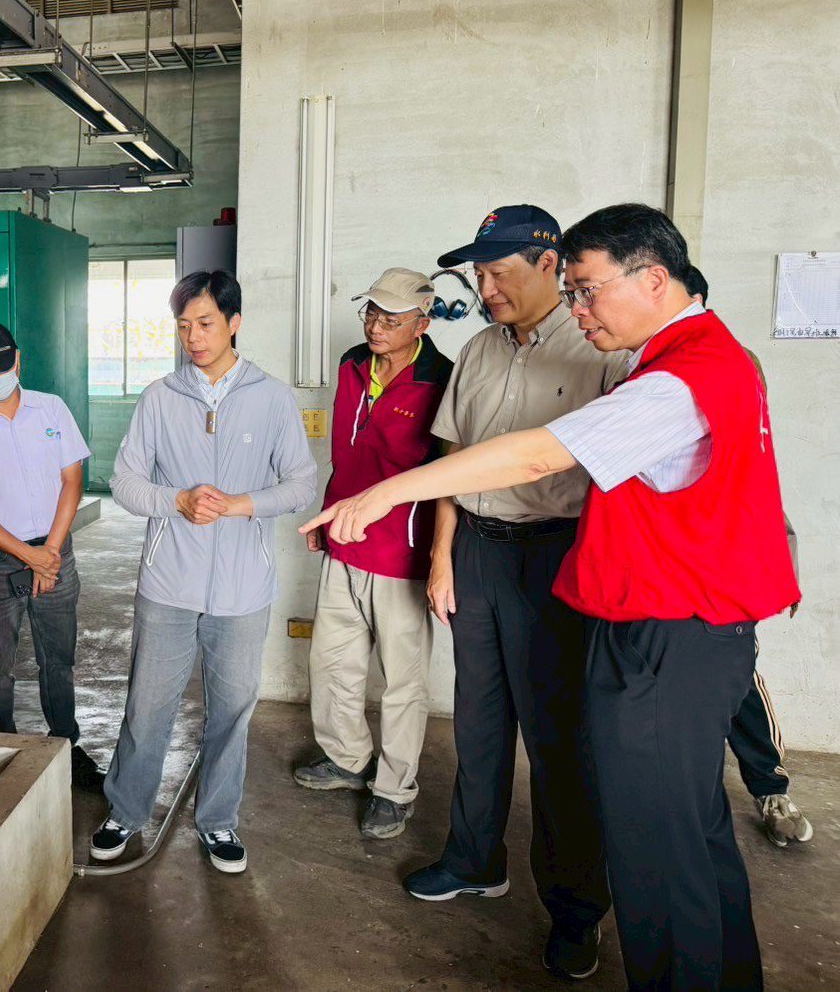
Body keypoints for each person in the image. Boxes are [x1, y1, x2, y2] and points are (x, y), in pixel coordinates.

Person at [305, 203, 800, 990]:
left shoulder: (677, 378)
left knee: (653, 855)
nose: (578, 307)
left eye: (586, 289)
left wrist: (384, 492)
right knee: (691, 839)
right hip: (646, 617)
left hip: (663, 636)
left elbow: (538, 457)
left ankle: (598, 927)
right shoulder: (697, 356)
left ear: (652, 277)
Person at [371, 206, 618, 979]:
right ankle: (474, 857)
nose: (485, 287)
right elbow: (455, 458)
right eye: (477, 274)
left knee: (557, 741)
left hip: (554, 560)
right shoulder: (476, 350)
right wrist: (442, 557)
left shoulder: (598, 350)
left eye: (499, 271)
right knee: (476, 723)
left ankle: (576, 910)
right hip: (477, 554)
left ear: (550, 264)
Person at [91, 270, 316, 873]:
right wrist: (178, 501)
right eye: (183, 325)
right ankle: (125, 810)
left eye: (206, 323)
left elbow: (301, 483)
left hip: (243, 589)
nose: (192, 336)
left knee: (234, 708)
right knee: (147, 705)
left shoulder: (271, 397)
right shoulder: (160, 397)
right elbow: (127, 482)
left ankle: (218, 822)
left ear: (234, 322)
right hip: (168, 582)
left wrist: (241, 504)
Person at [293, 268, 453, 841]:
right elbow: (344, 454)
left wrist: (441, 556)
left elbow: (446, 481)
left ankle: (394, 788)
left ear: (423, 321)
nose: (377, 326)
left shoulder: (442, 380)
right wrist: (328, 514)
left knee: (403, 681)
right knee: (333, 661)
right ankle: (346, 757)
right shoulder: (351, 365)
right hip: (344, 542)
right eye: (371, 313)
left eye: (392, 318)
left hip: (401, 554)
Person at [0, 321, 103, 789]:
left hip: (53, 550)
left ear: (18, 360)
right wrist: (30, 558)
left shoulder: (52, 410)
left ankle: (67, 745)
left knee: (58, 658)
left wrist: (49, 550)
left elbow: (73, 480)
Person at [687, 269, 814, 850]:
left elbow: (755, 473)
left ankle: (769, 785)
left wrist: (779, 561)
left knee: (737, 681)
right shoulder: (620, 362)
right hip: (661, 562)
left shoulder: (733, 361)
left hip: (723, 556)